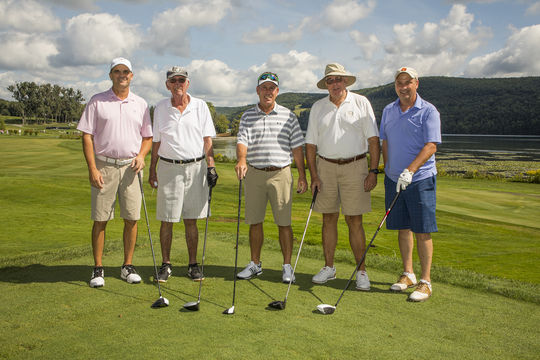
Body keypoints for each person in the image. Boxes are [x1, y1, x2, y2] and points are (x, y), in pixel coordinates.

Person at [77, 57, 153, 288]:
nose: (122, 75)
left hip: (131, 167)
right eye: (117, 71)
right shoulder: (97, 101)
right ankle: (98, 268)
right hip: (104, 166)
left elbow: (147, 137)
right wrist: (92, 168)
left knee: (131, 218)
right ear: (110, 75)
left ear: (132, 75)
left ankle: (127, 266)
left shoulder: (140, 103)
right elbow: (87, 135)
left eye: (126, 71)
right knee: (100, 219)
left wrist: (141, 156)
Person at [305, 63, 380, 291]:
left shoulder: (361, 103)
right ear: (326, 84)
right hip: (325, 166)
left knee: (354, 220)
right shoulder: (318, 107)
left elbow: (374, 141)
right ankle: (329, 267)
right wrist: (314, 175)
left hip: (355, 166)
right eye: (330, 80)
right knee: (328, 218)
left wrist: (373, 170)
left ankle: (362, 271)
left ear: (345, 81)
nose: (335, 84)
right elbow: (310, 145)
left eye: (338, 79)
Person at [235, 71, 307, 283]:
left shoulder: (288, 115)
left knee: (284, 223)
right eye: (264, 87)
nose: (268, 92)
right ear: (258, 90)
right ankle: (255, 264)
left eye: (272, 88)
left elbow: (296, 148)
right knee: (254, 221)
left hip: (281, 173)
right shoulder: (247, 115)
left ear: (277, 91)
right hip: (255, 173)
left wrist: (302, 175)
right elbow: (242, 141)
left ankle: (287, 266)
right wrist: (241, 160)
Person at [148, 66, 218, 282]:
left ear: (188, 83)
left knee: (191, 220)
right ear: (167, 85)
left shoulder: (200, 106)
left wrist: (211, 166)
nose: (178, 84)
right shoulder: (160, 108)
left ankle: (193, 265)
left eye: (182, 80)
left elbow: (207, 139)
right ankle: (166, 264)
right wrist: (152, 169)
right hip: (168, 168)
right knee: (166, 219)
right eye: (173, 80)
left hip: (196, 168)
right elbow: (157, 141)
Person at [380, 67, 441, 302]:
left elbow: (431, 146)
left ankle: (425, 281)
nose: (403, 87)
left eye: (407, 82)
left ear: (416, 84)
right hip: (394, 178)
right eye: (399, 83)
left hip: (420, 178)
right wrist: (389, 169)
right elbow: (385, 141)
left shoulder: (428, 111)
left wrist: (410, 170)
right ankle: (408, 274)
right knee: (403, 227)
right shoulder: (389, 110)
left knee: (422, 229)